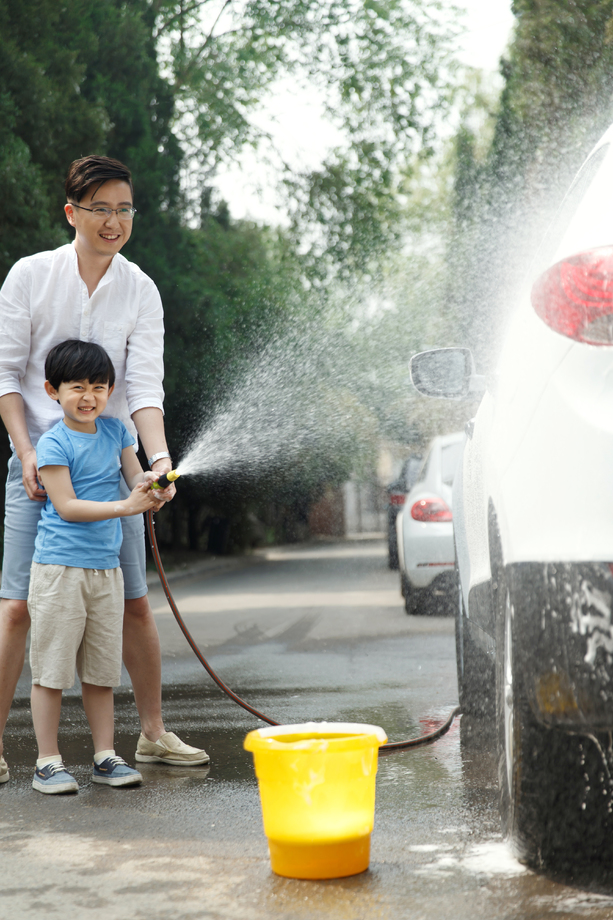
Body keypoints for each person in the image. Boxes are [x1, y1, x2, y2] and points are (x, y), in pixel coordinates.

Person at [0, 155, 208, 786]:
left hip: (110, 469)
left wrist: (158, 462)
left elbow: (144, 389)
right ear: (73, 213)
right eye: (101, 209)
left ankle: (150, 735)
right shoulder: (29, 278)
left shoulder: (140, 289)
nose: (115, 221)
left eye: (124, 209)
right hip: (37, 463)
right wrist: (29, 452)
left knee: (134, 606)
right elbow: (7, 378)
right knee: (15, 610)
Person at [30, 340, 161, 793]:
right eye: (78, 387)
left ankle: (105, 757)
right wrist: (127, 506)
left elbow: (135, 476)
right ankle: (47, 762)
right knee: (51, 671)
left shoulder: (116, 431)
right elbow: (65, 506)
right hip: (60, 570)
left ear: (111, 391)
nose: (89, 396)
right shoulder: (53, 442)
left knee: (102, 671)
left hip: (106, 570)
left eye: (99, 387)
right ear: (53, 390)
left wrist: (151, 484)